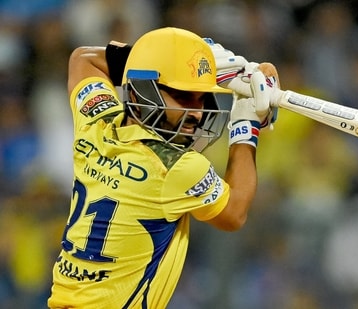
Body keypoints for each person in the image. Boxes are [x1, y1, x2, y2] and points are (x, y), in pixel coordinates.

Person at [47, 27, 279, 308]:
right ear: (144, 90)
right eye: (182, 96)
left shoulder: (95, 122)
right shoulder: (176, 167)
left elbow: (82, 59)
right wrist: (246, 122)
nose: (196, 111)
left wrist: (184, 61)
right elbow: (234, 213)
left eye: (200, 97)